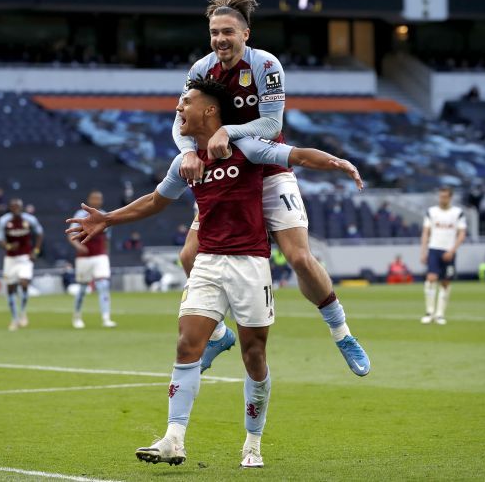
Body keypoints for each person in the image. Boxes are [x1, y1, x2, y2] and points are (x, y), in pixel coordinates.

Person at [66, 80, 366, 469]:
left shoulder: (248, 149)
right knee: (186, 346)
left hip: (251, 263)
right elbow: (157, 200)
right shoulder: (185, 161)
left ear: (209, 111)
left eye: (185, 103)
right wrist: (108, 218)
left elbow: (298, 156)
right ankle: (174, 438)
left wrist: (338, 162)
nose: (178, 110)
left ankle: (252, 443)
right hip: (208, 262)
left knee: (254, 356)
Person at [172, 0, 368, 377]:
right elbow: (180, 123)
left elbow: (272, 125)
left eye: (228, 31)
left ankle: (342, 331)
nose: (220, 39)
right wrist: (188, 152)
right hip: (227, 177)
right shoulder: (200, 69)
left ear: (246, 33)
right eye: (214, 32)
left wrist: (227, 129)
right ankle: (218, 336)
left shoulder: (265, 64)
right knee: (189, 257)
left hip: (268, 171)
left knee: (299, 258)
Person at [68, 191, 116, 329]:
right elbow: (71, 235)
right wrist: (78, 246)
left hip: (100, 255)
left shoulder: (105, 215)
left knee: (103, 285)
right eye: (94, 198)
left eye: (99, 198)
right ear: (88, 199)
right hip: (84, 257)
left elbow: (107, 238)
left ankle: (106, 318)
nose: (96, 201)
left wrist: (106, 254)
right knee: (83, 289)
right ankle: (77, 316)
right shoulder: (80, 215)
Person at [420, 186, 467, 325]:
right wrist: (423, 251)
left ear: (450, 197)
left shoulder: (458, 213)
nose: (442, 199)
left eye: (445, 196)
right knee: (431, 278)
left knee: (446, 281)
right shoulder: (431, 212)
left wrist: (452, 251)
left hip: (449, 251)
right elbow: (425, 232)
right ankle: (429, 312)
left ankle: (440, 314)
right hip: (434, 249)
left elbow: (462, 234)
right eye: (441, 196)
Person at [0, 198, 43, 331]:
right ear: (10, 208)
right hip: (10, 259)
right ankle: (14, 318)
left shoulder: (30, 219)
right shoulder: (4, 221)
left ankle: (22, 312)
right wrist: (9, 246)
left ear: (22, 207)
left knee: (24, 283)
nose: (16, 208)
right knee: (10, 288)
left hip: (25, 257)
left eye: (18, 206)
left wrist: (36, 250)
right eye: (13, 206)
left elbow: (40, 233)